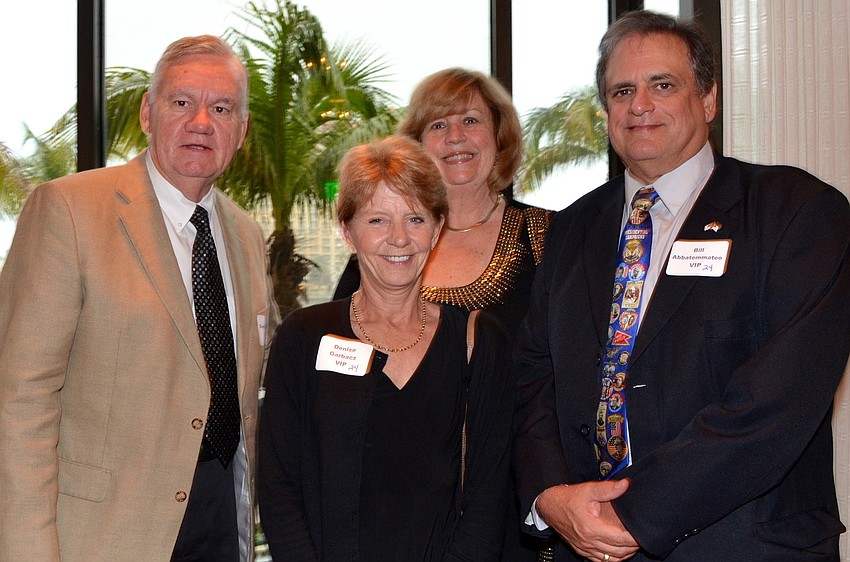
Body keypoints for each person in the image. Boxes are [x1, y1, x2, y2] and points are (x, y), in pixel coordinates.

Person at [513, 10, 850, 562]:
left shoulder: (796, 213)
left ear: (709, 99)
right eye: (622, 91)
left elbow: (778, 399)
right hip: (587, 543)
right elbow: (533, 376)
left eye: (663, 85)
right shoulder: (572, 227)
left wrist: (636, 512)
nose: (639, 105)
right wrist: (550, 496)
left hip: (744, 545)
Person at [0, 35, 279, 561]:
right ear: (149, 113)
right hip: (107, 535)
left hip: (222, 525)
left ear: (241, 131)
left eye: (221, 108)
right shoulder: (68, 211)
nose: (201, 122)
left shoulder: (245, 235)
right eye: (182, 102)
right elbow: (19, 400)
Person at [258, 136, 514, 561]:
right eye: (377, 220)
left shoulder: (478, 341)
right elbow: (279, 487)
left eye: (415, 219)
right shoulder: (302, 338)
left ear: (437, 229)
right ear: (347, 232)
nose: (399, 239)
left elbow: (488, 501)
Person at [332, 68, 553, 560]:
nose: (455, 137)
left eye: (470, 120)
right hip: (391, 503)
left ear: (499, 134)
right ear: (417, 146)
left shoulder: (547, 238)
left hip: (517, 496)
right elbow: (341, 374)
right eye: (438, 125)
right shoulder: (381, 248)